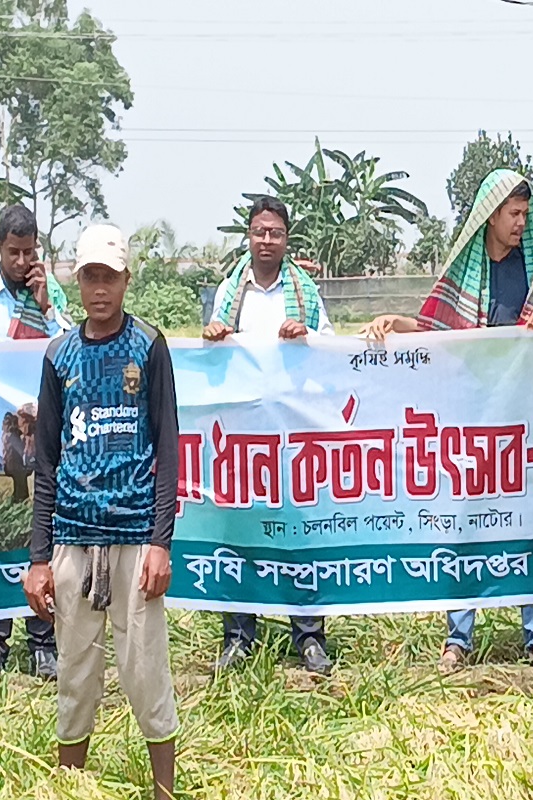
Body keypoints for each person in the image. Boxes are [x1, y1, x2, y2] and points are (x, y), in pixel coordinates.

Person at [361, 169, 533, 674]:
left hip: (521, 411)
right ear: (490, 216)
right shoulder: (466, 269)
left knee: (528, 519)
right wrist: (394, 323)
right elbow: (433, 327)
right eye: (513, 214)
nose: (520, 224)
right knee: (464, 519)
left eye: (524, 215)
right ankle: (459, 636)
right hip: (468, 415)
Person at [22, 225, 179, 800]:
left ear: (126, 280)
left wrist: (161, 542)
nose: (99, 288)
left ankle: (164, 789)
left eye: (109, 277)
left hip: (136, 534)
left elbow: (167, 448)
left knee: (145, 672)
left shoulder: (148, 345)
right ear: (77, 279)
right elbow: (45, 458)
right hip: (73, 537)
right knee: (75, 673)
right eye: (89, 276)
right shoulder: (59, 355)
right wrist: (39, 559)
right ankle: (72, 785)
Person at [203, 196, 335, 676]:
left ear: (286, 239)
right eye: (259, 232)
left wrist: (308, 335)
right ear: (248, 235)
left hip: (294, 434)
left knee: (299, 533)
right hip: (243, 436)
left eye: (275, 233)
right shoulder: (229, 292)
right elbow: (212, 350)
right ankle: (239, 637)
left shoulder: (305, 293)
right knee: (241, 532)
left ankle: (310, 638)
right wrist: (213, 334)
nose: (266, 240)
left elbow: (330, 346)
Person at [0, 204, 70, 688]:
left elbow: (71, 346)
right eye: (14, 252)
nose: (23, 261)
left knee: (42, 525)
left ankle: (43, 641)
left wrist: (46, 305)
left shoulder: (50, 290)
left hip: (42, 425)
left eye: (30, 252)